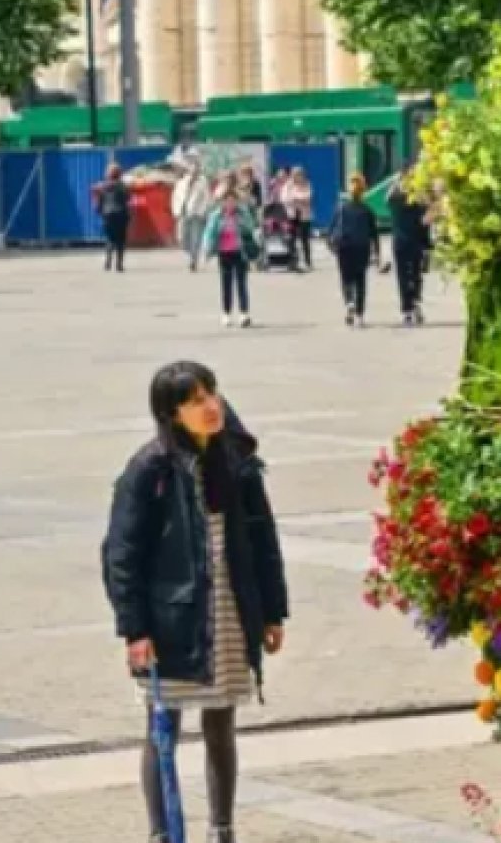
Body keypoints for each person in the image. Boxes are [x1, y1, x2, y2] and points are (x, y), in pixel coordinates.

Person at [102, 361, 288, 843]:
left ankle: (221, 829)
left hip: (228, 605)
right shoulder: (150, 468)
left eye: (213, 394)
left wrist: (272, 611)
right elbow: (122, 553)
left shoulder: (237, 460)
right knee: (162, 725)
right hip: (172, 616)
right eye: (195, 400)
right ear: (171, 413)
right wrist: (134, 629)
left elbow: (263, 539)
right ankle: (162, 833)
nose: (211, 407)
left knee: (221, 721)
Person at [201, 192, 260, 328]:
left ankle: (244, 314)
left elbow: (251, 228)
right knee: (226, 285)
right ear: (223, 202)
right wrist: (206, 251)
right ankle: (226, 314)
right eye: (227, 201)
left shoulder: (242, 213)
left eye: (233, 201)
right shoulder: (216, 215)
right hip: (224, 253)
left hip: (240, 252)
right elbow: (209, 233)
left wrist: (243, 223)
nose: (230, 204)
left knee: (242, 284)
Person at [329, 173, 380, 326]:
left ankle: (349, 302)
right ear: (363, 190)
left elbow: (331, 228)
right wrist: (377, 253)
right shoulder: (367, 210)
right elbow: (374, 233)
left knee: (346, 278)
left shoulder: (341, 208)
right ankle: (360, 313)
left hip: (344, 247)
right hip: (362, 247)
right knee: (360, 280)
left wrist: (330, 245)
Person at [388, 175, 430, 325]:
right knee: (416, 274)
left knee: (403, 276)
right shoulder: (420, 203)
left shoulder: (394, 201)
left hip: (399, 243)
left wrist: (396, 182)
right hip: (416, 242)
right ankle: (416, 302)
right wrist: (427, 245)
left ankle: (406, 310)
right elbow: (425, 224)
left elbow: (388, 195)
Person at [171, 160, 213, 272]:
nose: (194, 172)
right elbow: (175, 197)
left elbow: (207, 198)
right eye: (192, 170)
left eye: (196, 170)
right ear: (189, 170)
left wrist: (203, 211)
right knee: (183, 239)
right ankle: (192, 254)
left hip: (197, 214)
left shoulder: (203, 182)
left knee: (195, 238)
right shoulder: (181, 182)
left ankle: (193, 260)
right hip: (183, 213)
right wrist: (175, 211)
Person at [98, 164, 131, 272]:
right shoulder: (123, 186)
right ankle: (119, 265)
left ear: (108, 174)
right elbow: (128, 198)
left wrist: (100, 212)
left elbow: (100, 202)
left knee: (110, 239)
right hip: (121, 214)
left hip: (108, 215)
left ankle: (107, 263)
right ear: (119, 174)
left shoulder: (103, 186)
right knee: (121, 240)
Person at [284, 166, 314, 273]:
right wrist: (299, 199)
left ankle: (308, 262)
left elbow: (308, 197)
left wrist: (296, 198)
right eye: (295, 174)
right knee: (291, 239)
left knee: (305, 240)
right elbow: (285, 199)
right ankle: (293, 261)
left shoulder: (307, 184)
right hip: (292, 215)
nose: (297, 177)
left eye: (299, 174)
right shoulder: (288, 185)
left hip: (304, 216)